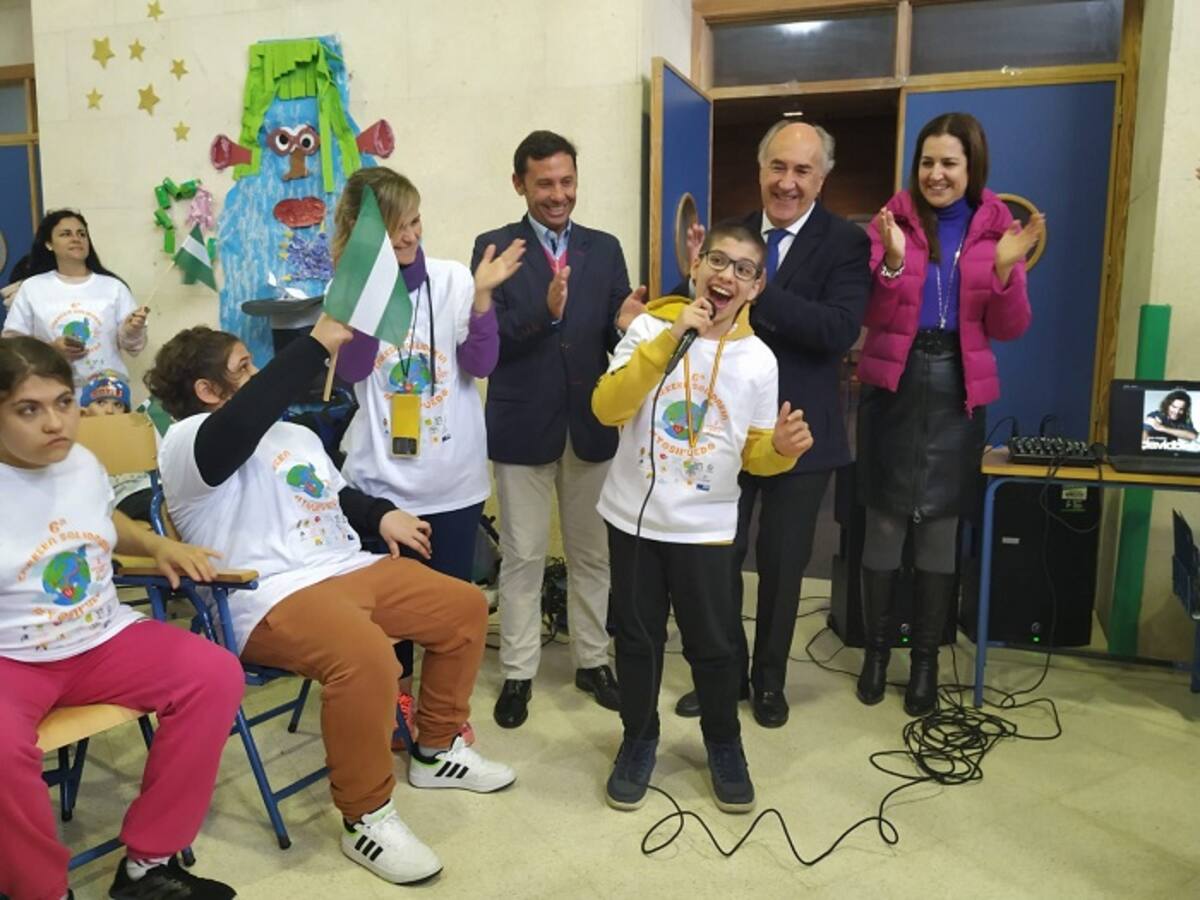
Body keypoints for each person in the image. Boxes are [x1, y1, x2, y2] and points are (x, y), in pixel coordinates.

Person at [146, 316, 516, 887]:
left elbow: (336, 494)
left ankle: (437, 749)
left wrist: (380, 513)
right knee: (367, 657)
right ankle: (365, 815)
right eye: (245, 367)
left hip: (345, 567)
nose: (260, 374)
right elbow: (236, 429)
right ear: (206, 389)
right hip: (265, 592)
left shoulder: (293, 436)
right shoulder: (187, 442)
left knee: (464, 607)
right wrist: (314, 345)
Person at [0, 335, 243, 900]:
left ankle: (147, 865)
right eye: (28, 409)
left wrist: (156, 544)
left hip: (102, 638)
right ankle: (40, 889)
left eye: (64, 401)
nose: (56, 422)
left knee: (215, 676)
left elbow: (104, 516)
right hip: (14, 658)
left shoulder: (80, 462)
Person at [593, 222, 813, 813]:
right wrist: (668, 340)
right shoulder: (647, 328)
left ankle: (723, 742)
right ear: (696, 265)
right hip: (634, 520)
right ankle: (638, 739)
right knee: (636, 641)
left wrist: (784, 451)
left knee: (714, 646)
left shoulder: (758, 361)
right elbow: (606, 406)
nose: (727, 275)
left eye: (744, 268)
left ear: (757, 286)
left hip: (708, 529)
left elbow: (756, 457)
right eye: (719, 260)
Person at [673, 121, 871, 728]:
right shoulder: (730, 235)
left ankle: (769, 681)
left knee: (785, 564)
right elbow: (701, 313)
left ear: (822, 178)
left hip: (799, 432)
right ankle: (725, 673)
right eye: (777, 167)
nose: (787, 182)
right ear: (760, 171)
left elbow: (837, 331)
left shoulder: (845, 243)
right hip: (724, 431)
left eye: (802, 171)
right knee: (720, 558)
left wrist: (756, 291)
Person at [856, 111, 1042, 716]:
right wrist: (890, 260)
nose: (936, 174)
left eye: (949, 163)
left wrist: (1009, 270)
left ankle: (927, 663)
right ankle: (877, 653)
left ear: (971, 168)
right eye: (927, 162)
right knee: (885, 521)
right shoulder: (892, 222)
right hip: (896, 382)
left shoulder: (996, 233)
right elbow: (878, 315)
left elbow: (1008, 328)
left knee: (938, 526)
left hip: (958, 390)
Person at [337, 166, 523, 745]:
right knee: (388, 615)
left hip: (452, 482)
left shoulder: (452, 280)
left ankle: (441, 715)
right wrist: (371, 285)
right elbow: (352, 369)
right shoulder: (349, 291)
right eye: (393, 228)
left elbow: (481, 364)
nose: (409, 237)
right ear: (366, 235)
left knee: (447, 613)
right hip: (381, 485)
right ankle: (395, 704)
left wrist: (485, 296)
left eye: (414, 221)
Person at [472, 130, 646, 728]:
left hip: (591, 424)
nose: (558, 194)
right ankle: (518, 672)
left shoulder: (605, 246)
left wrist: (627, 327)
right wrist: (545, 314)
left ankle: (592, 660)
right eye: (544, 182)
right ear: (519, 183)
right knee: (521, 555)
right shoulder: (494, 248)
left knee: (592, 554)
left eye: (567, 181)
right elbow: (488, 342)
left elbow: (614, 335)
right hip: (522, 423)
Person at [3, 210, 149, 387]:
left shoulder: (114, 287)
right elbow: (12, 344)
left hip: (108, 395)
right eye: (66, 234)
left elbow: (134, 347)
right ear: (49, 243)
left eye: (82, 234)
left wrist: (131, 330)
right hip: (49, 389)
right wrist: (51, 350)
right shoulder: (32, 288)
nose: (76, 239)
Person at [79, 369, 156, 522]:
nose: (109, 411)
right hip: (120, 501)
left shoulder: (139, 435)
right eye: (101, 403)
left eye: (118, 405)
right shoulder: (77, 446)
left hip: (152, 489)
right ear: (84, 411)